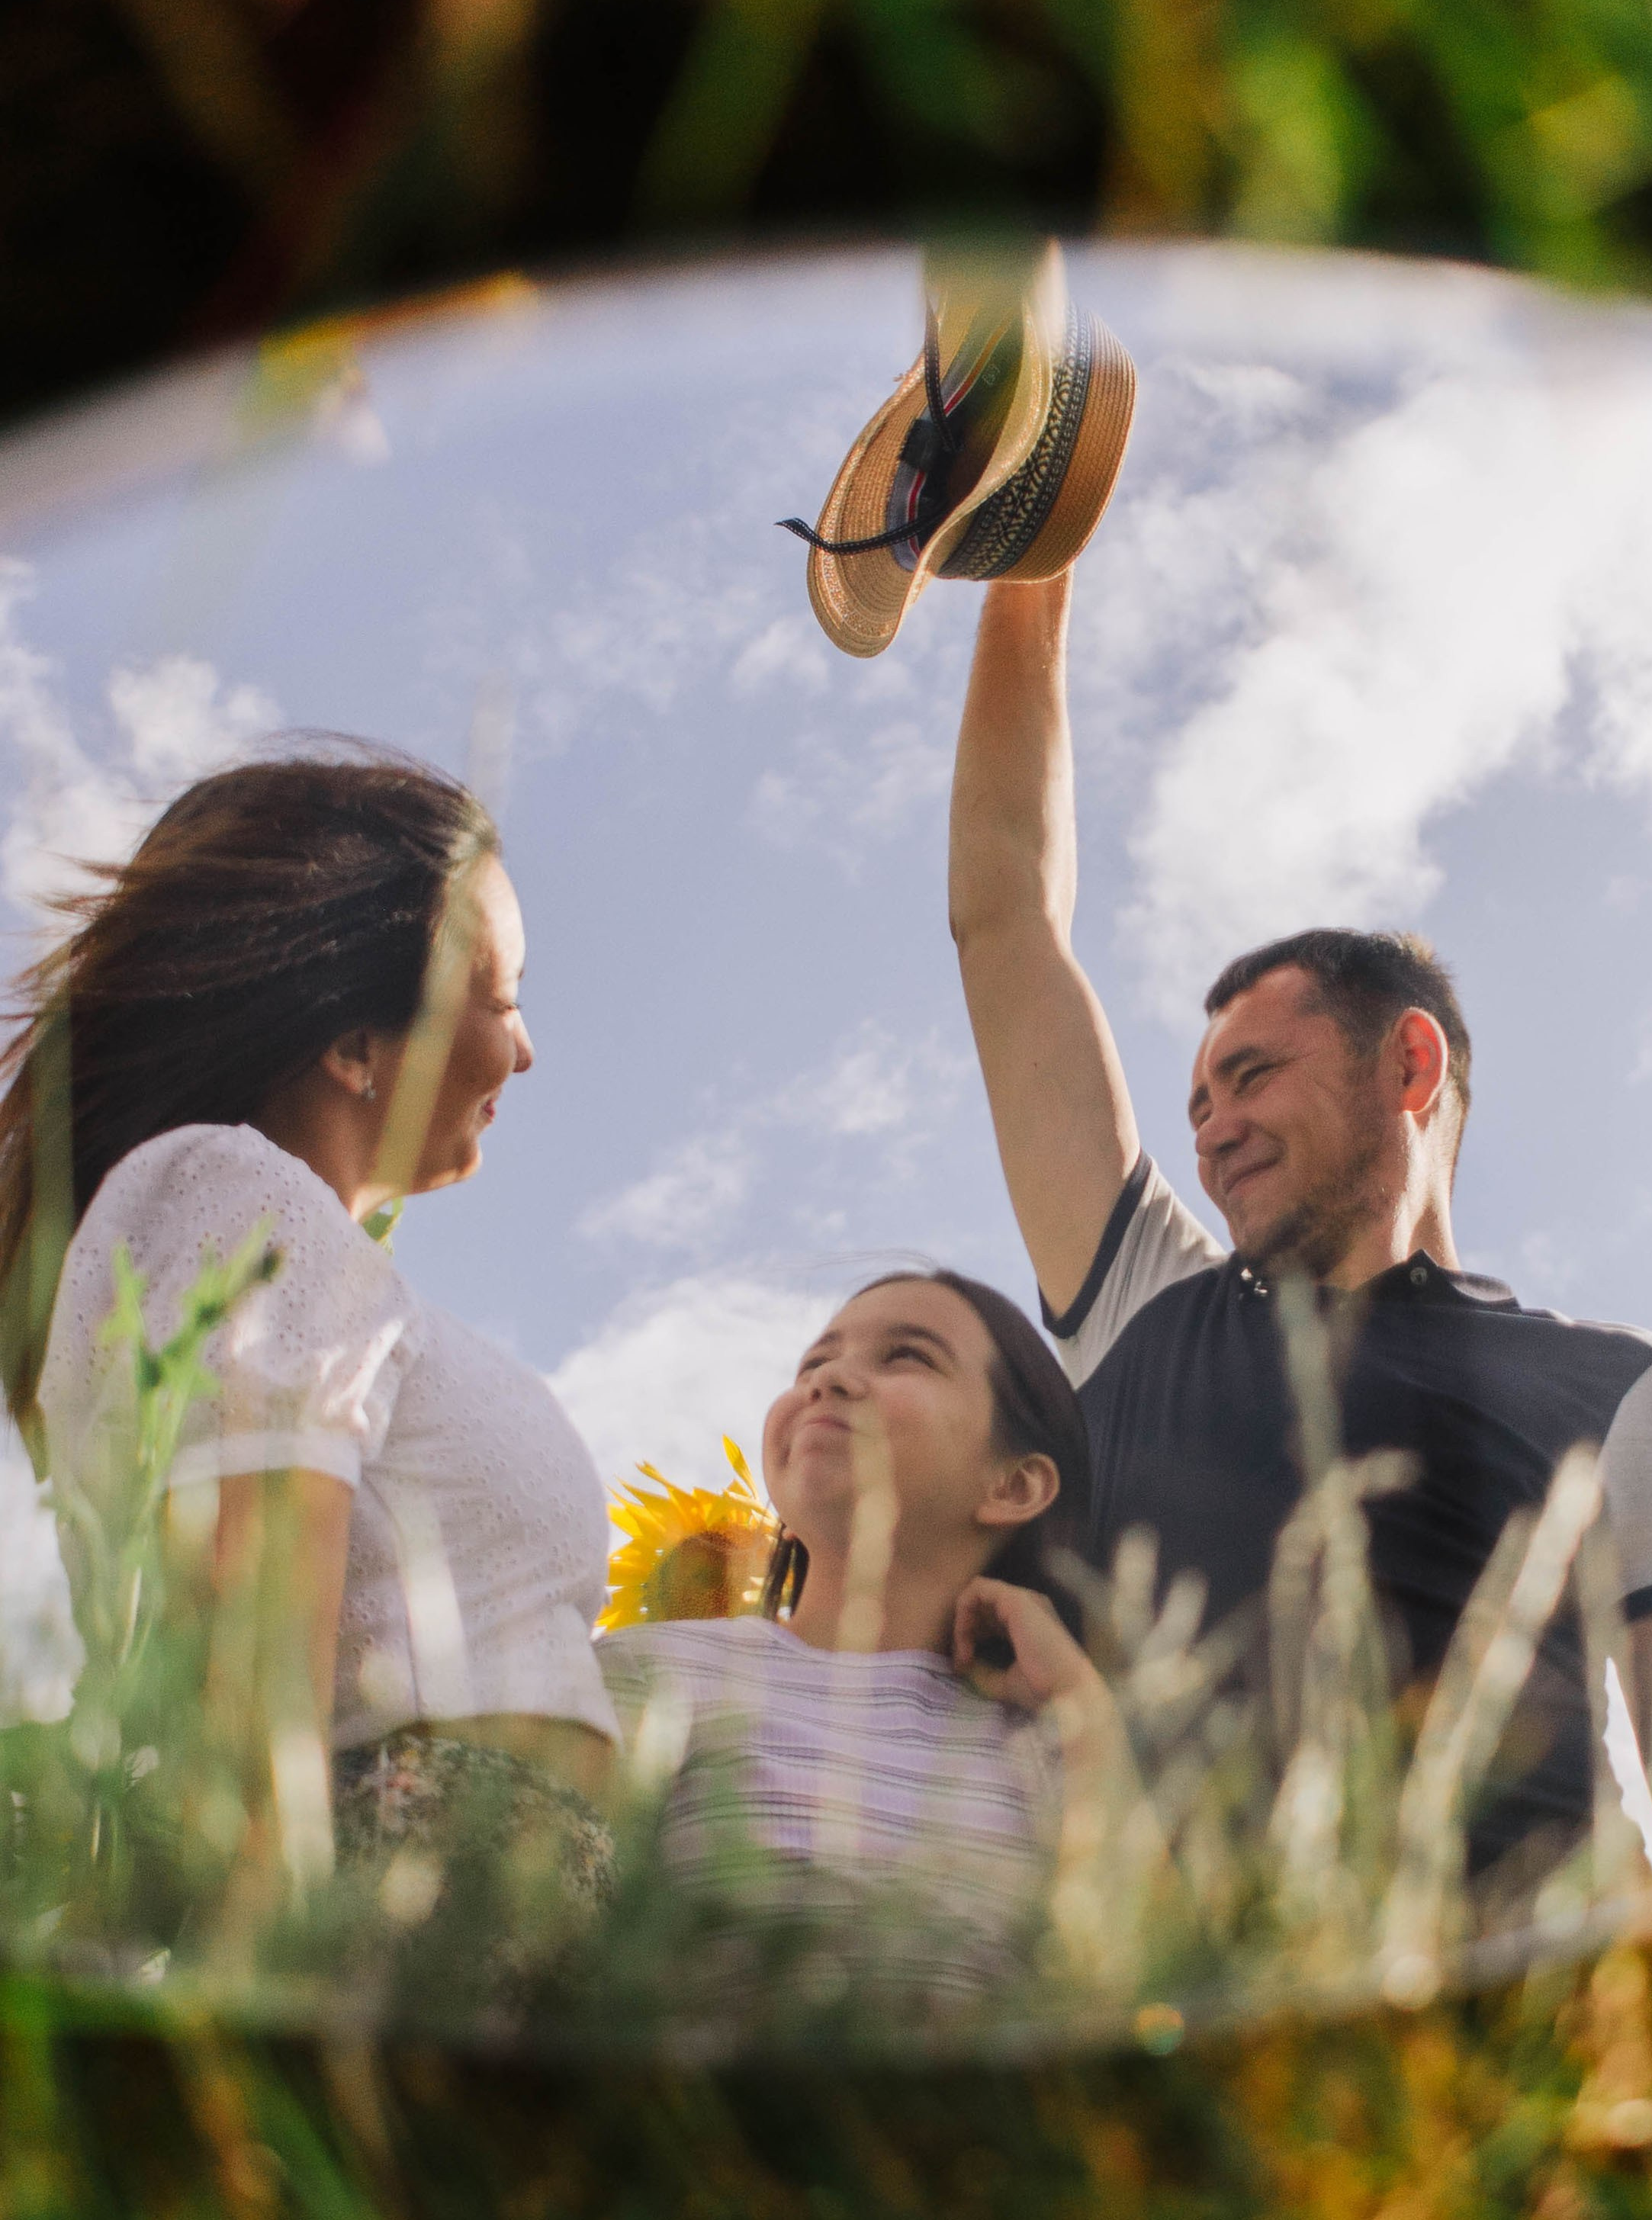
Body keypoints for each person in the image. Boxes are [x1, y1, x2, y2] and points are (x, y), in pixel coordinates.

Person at [947, 571, 1652, 1868]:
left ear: (1407, 1068)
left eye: (1250, 1076)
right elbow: (1006, 917)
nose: (1208, 1129)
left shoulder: (1627, 1387)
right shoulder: (1147, 1305)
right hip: (1181, 2016)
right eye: (1192, 1102)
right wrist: (1032, 566)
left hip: (1530, 2029)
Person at [16, 752, 616, 1910]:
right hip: (391, 1912)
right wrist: (264, 2001)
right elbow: (247, 1694)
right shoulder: (240, 1193)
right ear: (354, 1046)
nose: (526, 1049)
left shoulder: (266, 1230)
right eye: (500, 998)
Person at [596, 1268, 1114, 2036]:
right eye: (812, 1364)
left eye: (907, 1355)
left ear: (1013, 1484)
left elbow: (1140, 1982)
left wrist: (1084, 1708)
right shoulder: (645, 1674)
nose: (831, 1377)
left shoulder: (1048, 1753)